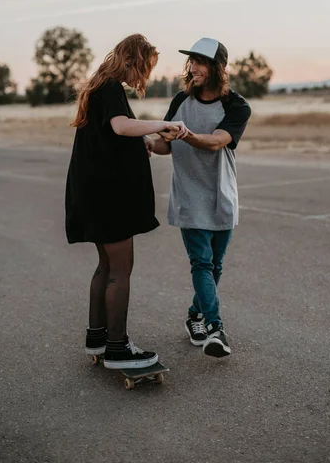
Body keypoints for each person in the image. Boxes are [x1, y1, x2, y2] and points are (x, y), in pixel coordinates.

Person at [65, 34, 187, 369]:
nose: (143, 77)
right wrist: (163, 125)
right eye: (145, 67)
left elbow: (111, 135)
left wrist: (143, 140)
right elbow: (120, 126)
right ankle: (118, 347)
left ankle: (97, 338)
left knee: (105, 266)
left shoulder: (99, 86)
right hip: (108, 198)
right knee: (121, 269)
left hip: (94, 193)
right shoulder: (111, 88)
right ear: (133, 59)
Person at [152, 37, 251, 358]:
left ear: (217, 68)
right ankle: (215, 327)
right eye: (191, 61)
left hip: (221, 194)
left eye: (200, 61)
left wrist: (187, 134)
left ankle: (194, 315)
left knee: (215, 265)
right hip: (189, 195)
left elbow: (216, 141)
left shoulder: (237, 106)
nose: (192, 67)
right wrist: (148, 142)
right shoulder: (181, 100)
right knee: (202, 263)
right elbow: (165, 145)